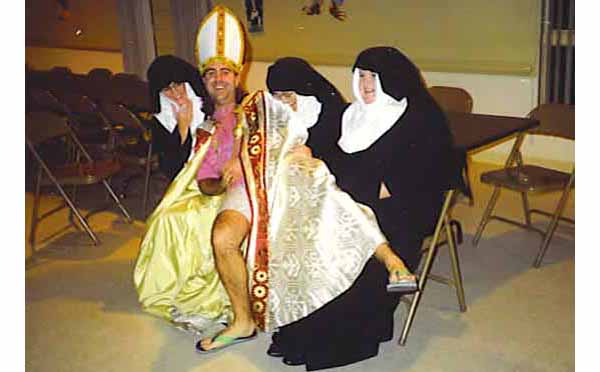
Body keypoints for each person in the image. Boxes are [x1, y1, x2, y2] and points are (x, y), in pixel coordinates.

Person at [134, 6, 416, 355]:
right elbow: (200, 178)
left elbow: (299, 127)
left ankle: (390, 261)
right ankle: (242, 321)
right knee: (222, 236)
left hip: (284, 181)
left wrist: (300, 152)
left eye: (226, 72)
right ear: (203, 81)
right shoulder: (205, 126)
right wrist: (222, 179)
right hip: (242, 191)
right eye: (211, 74)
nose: (219, 79)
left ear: (237, 75)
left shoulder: (259, 105)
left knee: (331, 199)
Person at [264, 50, 466, 370]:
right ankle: (301, 332)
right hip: (355, 202)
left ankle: (333, 339)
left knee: (345, 259)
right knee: (305, 244)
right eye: (361, 75)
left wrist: (347, 195)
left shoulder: (420, 119)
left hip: (399, 214)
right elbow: (337, 163)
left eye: (373, 76)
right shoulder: (351, 115)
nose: (366, 83)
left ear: (393, 80)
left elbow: (407, 184)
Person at [146, 55, 208, 181]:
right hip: (184, 178)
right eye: (167, 89)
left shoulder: (208, 102)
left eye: (178, 85)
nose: (176, 94)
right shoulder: (160, 118)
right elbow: (171, 169)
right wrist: (182, 128)